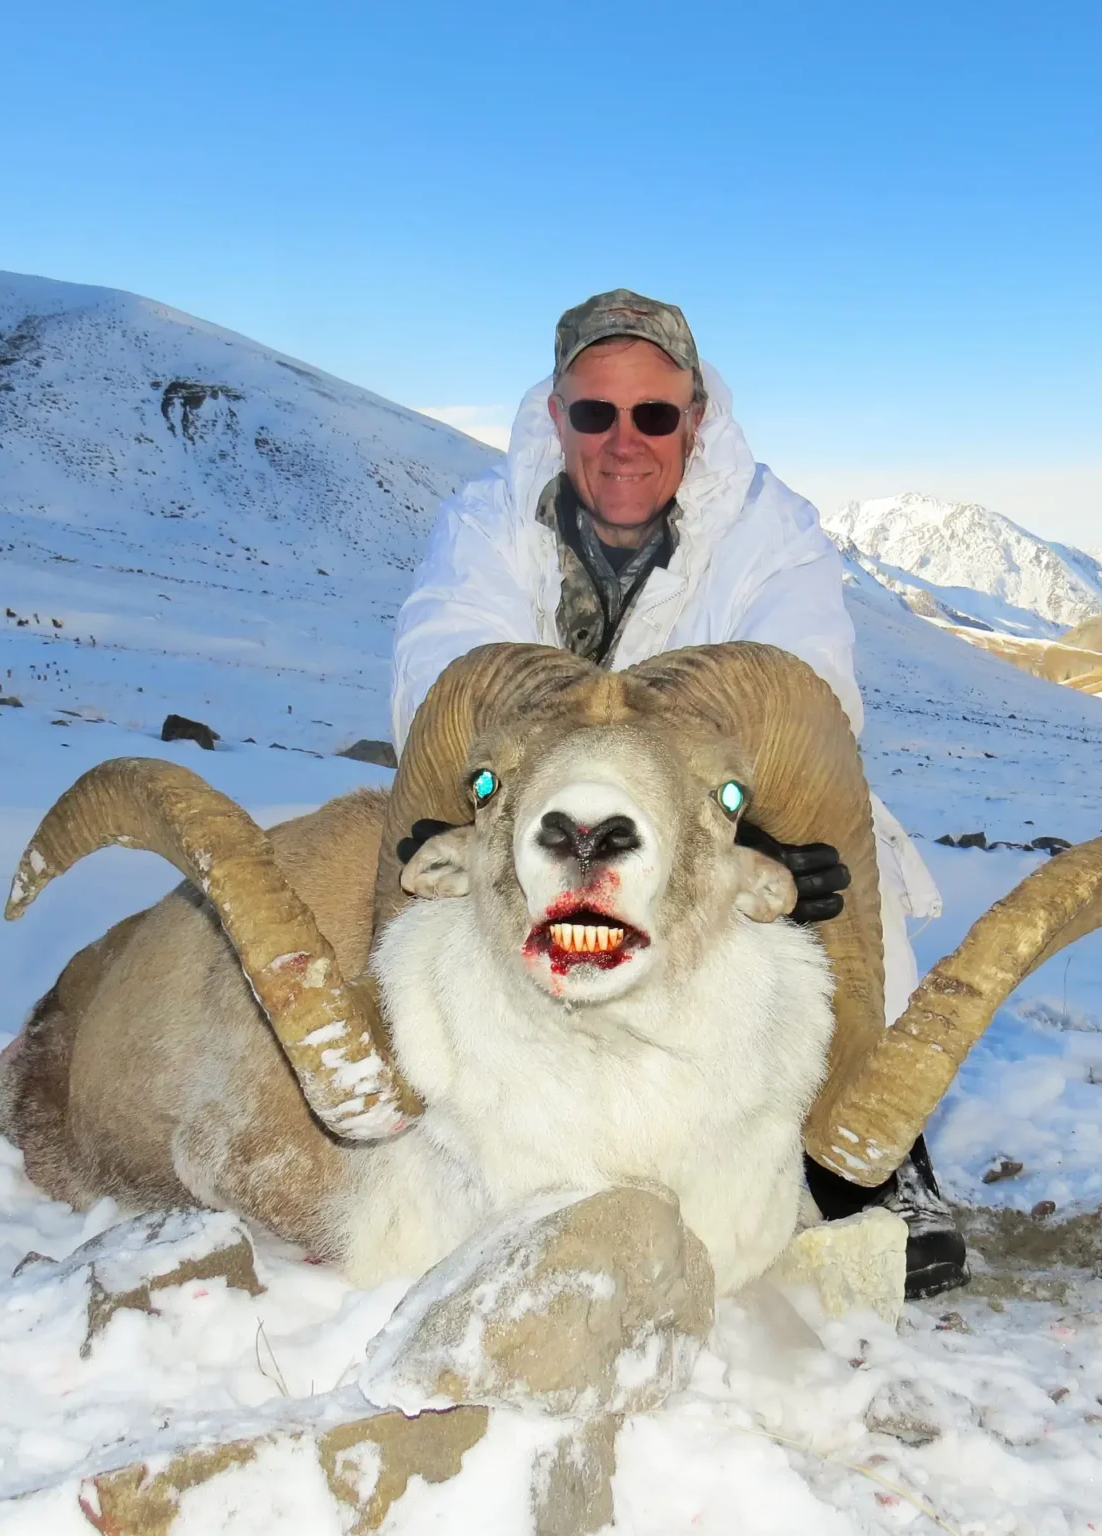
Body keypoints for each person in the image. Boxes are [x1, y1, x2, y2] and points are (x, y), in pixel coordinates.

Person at [391, 289, 966, 1297]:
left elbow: (810, 683)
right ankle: (439, 1102)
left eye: (654, 414)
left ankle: (869, 1156)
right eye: (595, 413)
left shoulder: (768, 531)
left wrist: (768, 828)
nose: (625, 442)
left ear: (695, 419)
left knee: (841, 869)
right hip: (540, 804)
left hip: (696, 814)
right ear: (556, 415)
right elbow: (443, 652)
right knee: (427, 895)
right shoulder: (487, 523)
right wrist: (460, 789)